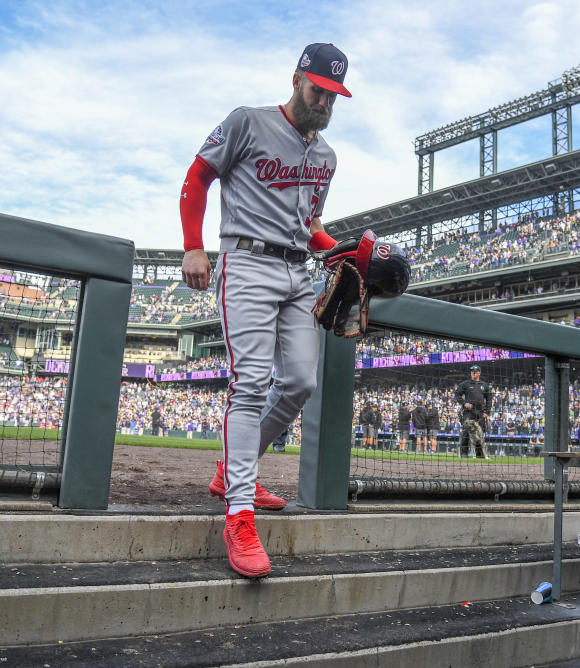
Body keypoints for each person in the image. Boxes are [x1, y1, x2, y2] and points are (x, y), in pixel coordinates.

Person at [179, 43, 352, 578]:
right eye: (319, 89)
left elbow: (312, 226)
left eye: (334, 95)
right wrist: (192, 244)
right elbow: (197, 178)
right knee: (251, 381)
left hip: (300, 272)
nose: (325, 102)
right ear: (298, 79)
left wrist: (346, 254)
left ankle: (234, 470)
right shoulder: (248, 122)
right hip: (248, 261)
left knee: (300, 382)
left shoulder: (327, 157)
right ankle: (238, 512)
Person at [455, 365, 492, 459]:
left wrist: (487, 412)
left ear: (479, 373)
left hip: (480, 413)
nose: (473, 373)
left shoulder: (484, 385)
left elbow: (489, 399)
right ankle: (464, 453)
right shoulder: (465, 384)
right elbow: (457, 394)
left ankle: (480, 454)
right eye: (472, 372)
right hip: (468, 412)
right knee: (466, 432)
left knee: (480, 433)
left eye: (475, 372)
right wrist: (464, 403)